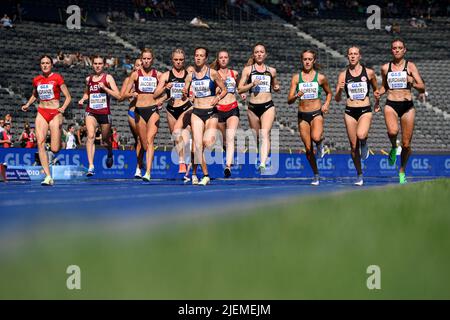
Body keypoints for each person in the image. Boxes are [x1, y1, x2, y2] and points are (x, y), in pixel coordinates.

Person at [374, 38, 425, 184]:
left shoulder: (410, 66)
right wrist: (379, 92)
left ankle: (402, 170)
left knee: (407, 144)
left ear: (404, 50)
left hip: (407, 106)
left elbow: (422, 87)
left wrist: (412, 82)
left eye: (399, 48)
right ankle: (393, 147)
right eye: (394, 48)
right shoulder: (385, 68)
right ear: (391, 50)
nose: (397, 50)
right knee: (392, 132)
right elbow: (384, 86)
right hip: (391, 104)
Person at [21, 55, 72, 185]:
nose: (45, 65)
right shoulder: (37, 80)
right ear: (40, 65)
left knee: (55, 149)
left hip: (55, 112)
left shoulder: (57, 78)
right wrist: (27, 104)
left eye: (47, 63)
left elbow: (68, 97)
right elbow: (34, 95)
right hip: (42, 112)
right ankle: (48, 176)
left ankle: (59, 137)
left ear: (51, 65)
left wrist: (63, 108)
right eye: (42, 63)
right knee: (40, 142)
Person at [335, 46, 380, 186]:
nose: (353, 56)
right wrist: (339, 91)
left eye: (355, 54)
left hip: (365, 109)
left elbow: (376, 90)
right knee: (353, 146)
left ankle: (365, 143)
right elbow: (337, 99)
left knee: (361, 135)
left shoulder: (369, 73)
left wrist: (377, 102)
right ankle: (359, 175)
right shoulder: (343, 75)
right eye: (350, 54)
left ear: (360, 56)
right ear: (347, 56)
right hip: (349, 112)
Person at [183, 47, 227, 186]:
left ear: (206, 58)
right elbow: (185, 91)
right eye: (196, 55)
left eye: (201, 56)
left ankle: (195, 172)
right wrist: (186, 94)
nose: (198, 58)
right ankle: (205, 175)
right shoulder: (190, 76)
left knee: (207, 143)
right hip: (197, 112)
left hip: (211, 113)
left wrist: (218, 97)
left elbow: (225, 89)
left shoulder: (212, 73)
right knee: (197, 146)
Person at [287, 49, 332, 186]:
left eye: (310, 59)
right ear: (302, 60)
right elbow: (289, 100)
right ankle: (316, 174)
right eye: (305, 59)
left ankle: (320, 143)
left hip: (316, 113)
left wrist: (326, 104)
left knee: (316, 137)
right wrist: (296, 95)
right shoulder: (296, 78)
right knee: (307, 149)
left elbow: (329, 93)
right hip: (302, 115)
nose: (307, 62)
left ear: (314, 61)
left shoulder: (320, 78)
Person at [121, 48, 164, 182]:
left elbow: (169, 89)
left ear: (152, 59)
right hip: (139, 110)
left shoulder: (158, 75)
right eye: (144, 58)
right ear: (141, 59)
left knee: (150, 141)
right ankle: (140, 166)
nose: (146, 61)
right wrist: (131, 94)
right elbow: (124, 94)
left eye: (148, 58)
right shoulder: (135, 75)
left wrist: (161, 100)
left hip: (152, 110)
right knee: (143, 143)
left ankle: (148, 172)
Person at [238, 42, 280, 172]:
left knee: (265, 133)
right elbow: (239, 89)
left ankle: (262, 162)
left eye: (261, 52)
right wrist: (251, 85)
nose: (259, 54)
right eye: (256, 52)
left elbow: (275, 85)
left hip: (268, 105)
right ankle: (260, 151)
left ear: (265, 54)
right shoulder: (248, 70)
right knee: (256, 135)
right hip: (253, 107)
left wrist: (277, 87)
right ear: (254, 55)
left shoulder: (271, 70)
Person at [78, 55, 121, 176]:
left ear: (104, 65)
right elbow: (87, 93)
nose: (97, 66)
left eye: (100, 63)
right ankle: (91, 166)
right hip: (91, 111)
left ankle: (110, 152)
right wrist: (82, 99)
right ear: (92, 65)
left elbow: (118, 95)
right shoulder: (89, 79)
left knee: (105, 140)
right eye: (95, 63)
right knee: (90, 136)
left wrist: (105, 89)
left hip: (104, 113)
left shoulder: (108, 78)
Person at [154, 48, 193, 175]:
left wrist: (189, 94)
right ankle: (186, 162)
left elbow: (194, 94)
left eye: (181, 60)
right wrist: (165, 88)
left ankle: (182, 162)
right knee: (176, 139)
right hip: (171, 109)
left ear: (184, 60)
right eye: (176, 60)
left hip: (185, 108)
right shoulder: (166, 76)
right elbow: (155, 94)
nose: (178, 62)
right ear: (172, 60)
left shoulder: (189, 75)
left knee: (182, 137)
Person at [211, 49, 245, 178]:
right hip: (219, 110)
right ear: (218, 60)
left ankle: (228, 166)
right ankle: (226, 152)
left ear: (228, 59)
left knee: (230, 137)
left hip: (232, 108)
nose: (224, 59)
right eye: (221, 57)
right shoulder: (213, 74)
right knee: (224, 140)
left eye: (225, 57)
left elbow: (237, 86)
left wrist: (241, 92)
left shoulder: (234, 73)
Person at [119, 58, 144, 178]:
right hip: (133, 111)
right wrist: (131, 94)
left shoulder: (149, 79)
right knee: (139, 139)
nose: (139, 67)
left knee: (140, 141)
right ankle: (138, 167)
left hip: (146, 112)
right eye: (137, 65)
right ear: (134, 67)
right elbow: (121, 96)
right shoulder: (129, 80)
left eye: (141, 65)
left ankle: (139, 164)